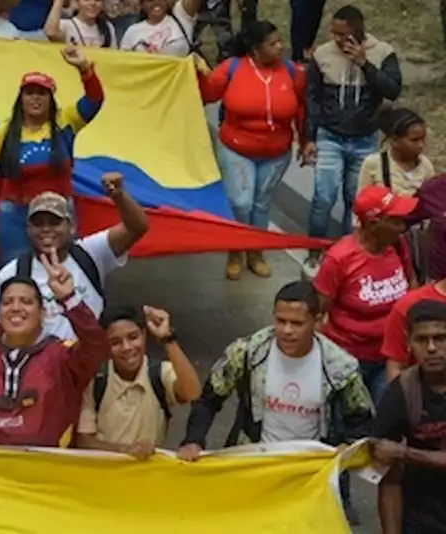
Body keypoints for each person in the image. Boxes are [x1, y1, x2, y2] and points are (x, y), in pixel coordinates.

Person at [178, 281, 373, 459]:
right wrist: (193, 440)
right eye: (281, 321)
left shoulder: (339, 367)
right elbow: (208, 400)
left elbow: (362, 419)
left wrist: (347, 447)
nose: (287, 330)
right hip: (253, 462)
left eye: (297, 323)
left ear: (317, 320)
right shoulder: (247, 352)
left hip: (311, 470)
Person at [0, 254, 110, 455]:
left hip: (52, 474)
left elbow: (98, 347)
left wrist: (69, 298)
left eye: (26, 301)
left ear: (43, 313)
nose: (15, 308)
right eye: (7, 302)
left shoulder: (64, 357)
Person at [197, 20, 306, 279]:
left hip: (276, 153)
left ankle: (256, 252)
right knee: (241, 202)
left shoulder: (292, 72)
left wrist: (305, 139)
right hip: (236, 149)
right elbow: (208, 94)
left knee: (261, 204)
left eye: (280, 41)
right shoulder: (232, 68)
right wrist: (199, 75)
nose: (280, 47)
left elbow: (302, 107)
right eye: (272, 44)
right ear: (255, 49)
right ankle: (236, 250)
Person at [0, 47, 104, 264]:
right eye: (29, 93)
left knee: (64, 267)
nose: (35, 98)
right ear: (21, 98)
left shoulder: (66, 122)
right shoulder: (3, 133)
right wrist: (7, 191)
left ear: (51, 99)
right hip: (15, 215)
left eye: (42, 93)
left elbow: (95, 100)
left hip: (59, 214)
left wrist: (84, 68)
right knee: (16, 271)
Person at [0, 176, 149, 340]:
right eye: (38, 223)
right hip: (37, 365)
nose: (46, 229)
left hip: (88, 359)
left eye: (54, 222)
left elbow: (137, 227)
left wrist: (119, 196)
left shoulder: (90, 253)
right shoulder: (11, 274)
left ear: (71, 227)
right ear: (28, 229)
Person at [302, 6, 402, 251]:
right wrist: (309, 136)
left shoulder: (383, 53)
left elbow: (392, 89)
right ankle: (315, 250)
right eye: (334, 33)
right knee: (324, 196)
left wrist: (364, 63)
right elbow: (312, 98)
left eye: (342, 34)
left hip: (364, 138)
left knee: (355, 200)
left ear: (358, 30)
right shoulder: (322, 55)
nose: (337, 40)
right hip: (330, 135)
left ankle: (351, 251)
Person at [314, 185, 416, 404]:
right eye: (396, 220)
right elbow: (315, 311)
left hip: (391, 358)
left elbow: (413, 288)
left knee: (381, 424)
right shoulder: (339, 259)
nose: (403, 226)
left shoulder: (398, 245)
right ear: (372, 223)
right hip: (349, 362)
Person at [75, 305, 202, 458]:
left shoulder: (159, 374)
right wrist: (124, 451)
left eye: (133, 337)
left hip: (148, 474)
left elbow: (192, 392)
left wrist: (167, 339)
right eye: (115, 342)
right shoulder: (96, 381)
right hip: (105, 474)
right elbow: (83, 440)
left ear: (144, 335)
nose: (127, 348)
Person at [371, 300, 446, 534]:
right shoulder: (401, 393)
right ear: (408, 344)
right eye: (422, 340)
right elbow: (388, 478)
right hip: (422, 513)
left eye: (441, 338)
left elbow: (395, 452)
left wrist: (405, 453)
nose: (432, 348)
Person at [359, 108, 433, 197]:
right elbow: (361, 203)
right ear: (394, 140)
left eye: (423, 138)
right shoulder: (374, 164)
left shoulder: (425, 165)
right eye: (414, 140)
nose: (421, 145)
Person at [45, 0, 117, 48]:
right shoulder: (67, 25)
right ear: (77, 3)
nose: (92, 3)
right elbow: (51, 32)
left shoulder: (108, 27)